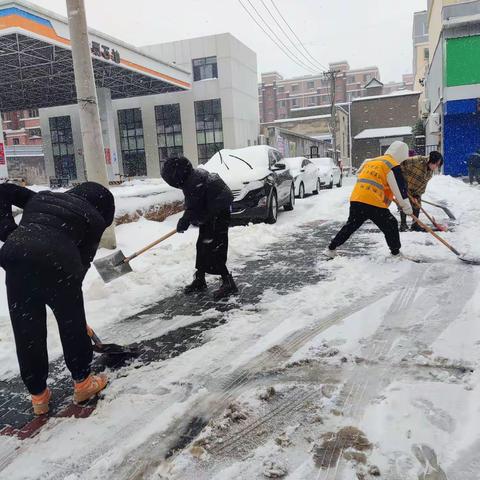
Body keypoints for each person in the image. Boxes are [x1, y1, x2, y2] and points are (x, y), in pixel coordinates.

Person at [0, 181, 114, 415]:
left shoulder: (40, 197)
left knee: (26, 328)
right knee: (71, 325)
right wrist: (72, 311)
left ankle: (38, 395)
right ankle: (83, 383)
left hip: (15, 257)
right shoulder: (94, 218)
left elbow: (2, 190)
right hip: (58, 261)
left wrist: (7, 231)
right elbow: (82, 262)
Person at [161, 156, 237, 300]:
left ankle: (228, 283)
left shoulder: (193, 181)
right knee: (202, 245)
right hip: (210, 210)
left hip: (219, 211)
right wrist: (187, 219)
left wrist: (184, 221)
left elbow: (192, 207)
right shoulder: (190, 177)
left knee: (214, 246)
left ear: (176, 176)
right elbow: (194, 205)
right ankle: (200, 280)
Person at [324, 141, 412, 258]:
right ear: (402, 154)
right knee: (391, 224)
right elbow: (399, 189)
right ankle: (395, 252)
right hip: (373, 201)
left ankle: (331, 248)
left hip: (357, 198)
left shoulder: (373, 161)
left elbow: (360, 174)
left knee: (350, 226)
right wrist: (406, 207)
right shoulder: (392, 165)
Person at [399, 151, 443, 231]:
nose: (436, 167)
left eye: (438, 165)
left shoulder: (430, 170)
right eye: (435, 164)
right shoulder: (417, 160)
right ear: (431, 160)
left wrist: (417, 195)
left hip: (415, 189)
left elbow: (423, 184)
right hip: (404, 184)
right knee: (404, 203)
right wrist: (402, 181)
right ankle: (403, 225)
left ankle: (415, 225)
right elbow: (401, 165)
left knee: (417, 204)